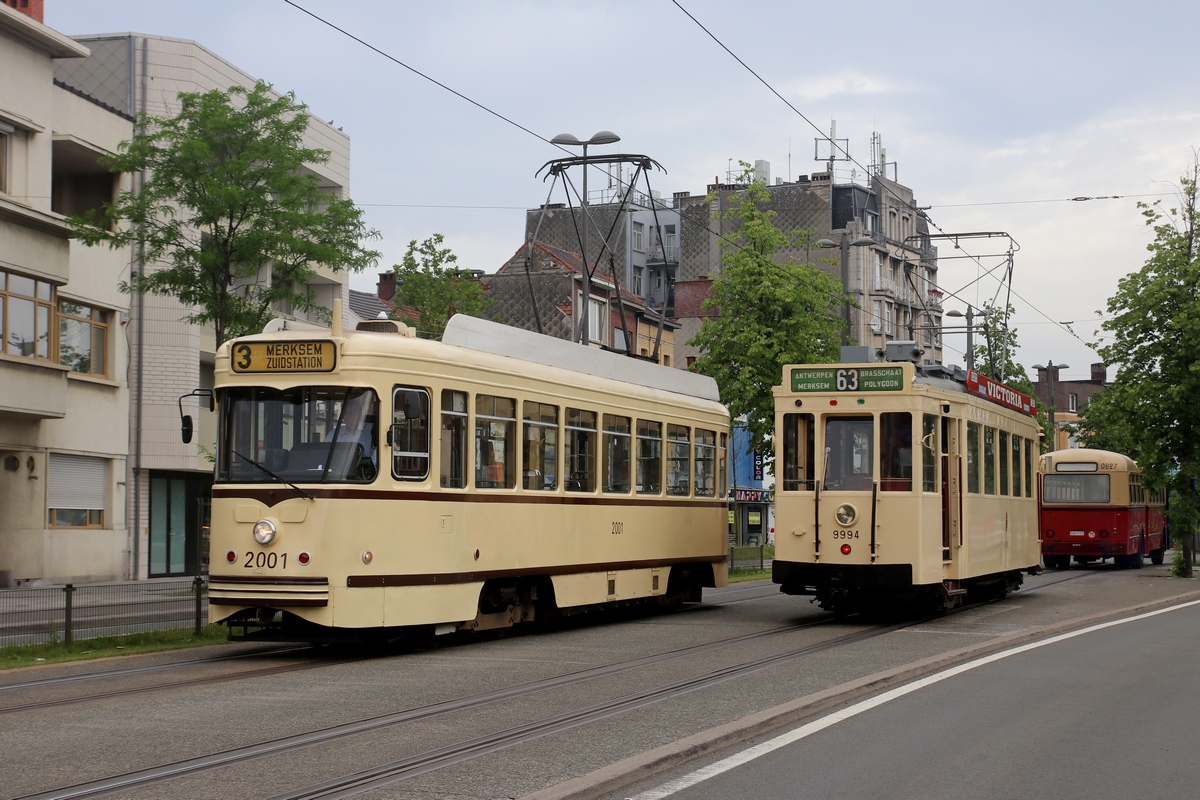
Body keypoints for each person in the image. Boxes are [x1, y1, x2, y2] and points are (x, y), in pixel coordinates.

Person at [326, 395, 377, 466]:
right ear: (342, 416)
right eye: (347, 413)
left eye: (353, 413)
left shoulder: (371, 430)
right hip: (339, 472)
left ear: (360, 414)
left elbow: (378, 455)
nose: (350, 416)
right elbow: (324, 455)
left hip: (366, 474)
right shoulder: (333, 434)